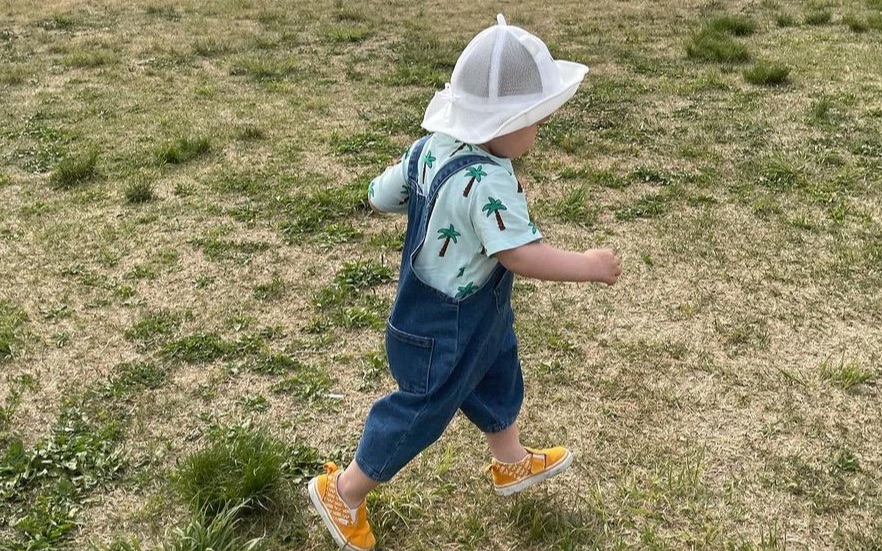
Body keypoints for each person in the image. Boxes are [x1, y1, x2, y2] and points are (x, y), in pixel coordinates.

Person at [308, 14, 621, 550]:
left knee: (498, 367)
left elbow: (381, 196)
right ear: (504, 122)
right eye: (535, 118)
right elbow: (520, 256)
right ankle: (344, 489)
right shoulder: (489, 179)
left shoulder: (426, 147)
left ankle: (510, 462)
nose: (538, 130)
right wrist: (589, 265)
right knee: (422, 411)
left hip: (473, 312)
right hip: (441, 326)